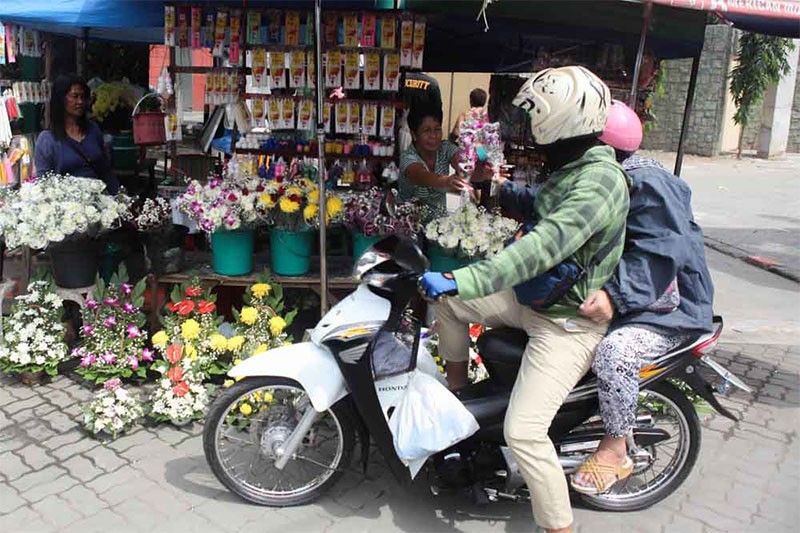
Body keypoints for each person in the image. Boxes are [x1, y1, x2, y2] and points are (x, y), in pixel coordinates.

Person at [419, 66, 630, 533]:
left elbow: (541, 247)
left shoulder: (599, 182)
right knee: (447, 306)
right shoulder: (575, 168)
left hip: (567, 323)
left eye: (537, 119)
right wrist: (497, 191)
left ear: (560, 121)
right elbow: (540, 204)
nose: (532, 132)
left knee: (524, 432)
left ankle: (558, 526)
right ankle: (459, 408)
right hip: (536, 302)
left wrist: (463, 278)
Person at [570, 101, 714, 494]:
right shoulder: (608, 176)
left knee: (615, 353)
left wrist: (616, 296)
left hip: (669, 312)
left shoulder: (647, 183)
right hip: (636, 301)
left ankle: (616, 449)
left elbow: (662, 252)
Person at [34, 74, 119, 193]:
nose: (80, 102)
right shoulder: (48, 140)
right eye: (74, 96)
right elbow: (44, 184)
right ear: (61, 99)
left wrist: (119, 197)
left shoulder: (93, 130)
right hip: (68, 206)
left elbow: (106, 171)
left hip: (99, 202)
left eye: (82, 97)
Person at [398, 107, 470, 221]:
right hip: (410, 225)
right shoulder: (408, 157)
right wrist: (446, 181)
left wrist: (469, 168)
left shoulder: (445, 148)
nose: (434, 135)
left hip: (439, 223)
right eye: (426, 130)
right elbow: (421, 175)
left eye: (437, 129)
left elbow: (461, 161)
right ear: (414, 135)